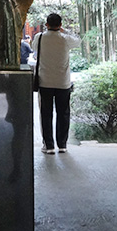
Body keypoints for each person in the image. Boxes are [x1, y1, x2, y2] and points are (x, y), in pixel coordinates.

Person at [31, 13, 81, 154]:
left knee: (46, 114)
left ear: (46, 25)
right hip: (63, 82)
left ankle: (49, 146)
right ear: (60, 25)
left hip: (45, 81)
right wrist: (65, 31)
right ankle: (62, 145)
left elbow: (34, 48)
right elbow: (78, 41)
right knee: (63, 113)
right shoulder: (65, 39)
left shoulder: (39, 37)